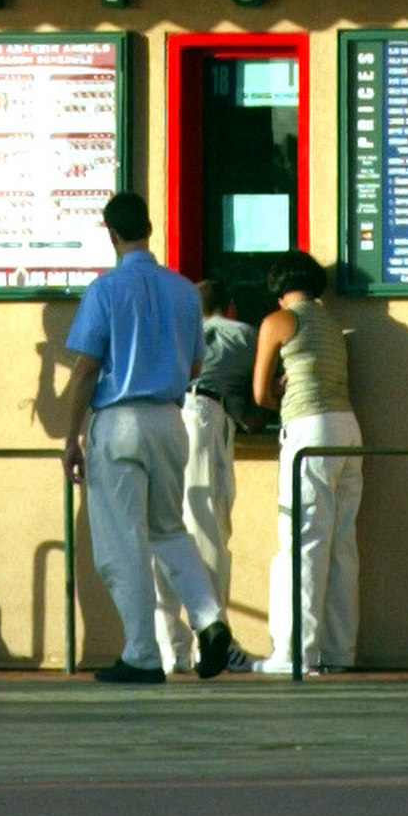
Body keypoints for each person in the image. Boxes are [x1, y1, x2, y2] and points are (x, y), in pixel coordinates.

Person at [60, 190, 250, 685]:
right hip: (171, 418)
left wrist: (69, 438)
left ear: (111, 233)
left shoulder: (104, 291)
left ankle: (142, 653)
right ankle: (210, 619)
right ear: (149, 228)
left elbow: (85, 369)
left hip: (119, 421)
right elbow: (192, 364)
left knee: (121, 544)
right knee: (169, 530)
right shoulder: (185, 292)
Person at [253, 250, 364, 678]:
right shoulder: (332, 325)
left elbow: (261, 394)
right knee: (341, 545)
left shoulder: (278, 322)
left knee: (302, 545)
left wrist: (279, 393)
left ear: (279, 289)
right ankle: (340, 651)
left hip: (308, 431)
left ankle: (294, 654)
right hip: (349, 430)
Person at [155, 276, 251, 675]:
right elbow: (262, 387)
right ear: (229, 307)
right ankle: (215, 637)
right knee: (207, 532)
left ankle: (169, 648)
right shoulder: (242, 334)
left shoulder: (172, 335)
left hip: (162, 418)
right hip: (203, 417)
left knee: (162, 531)